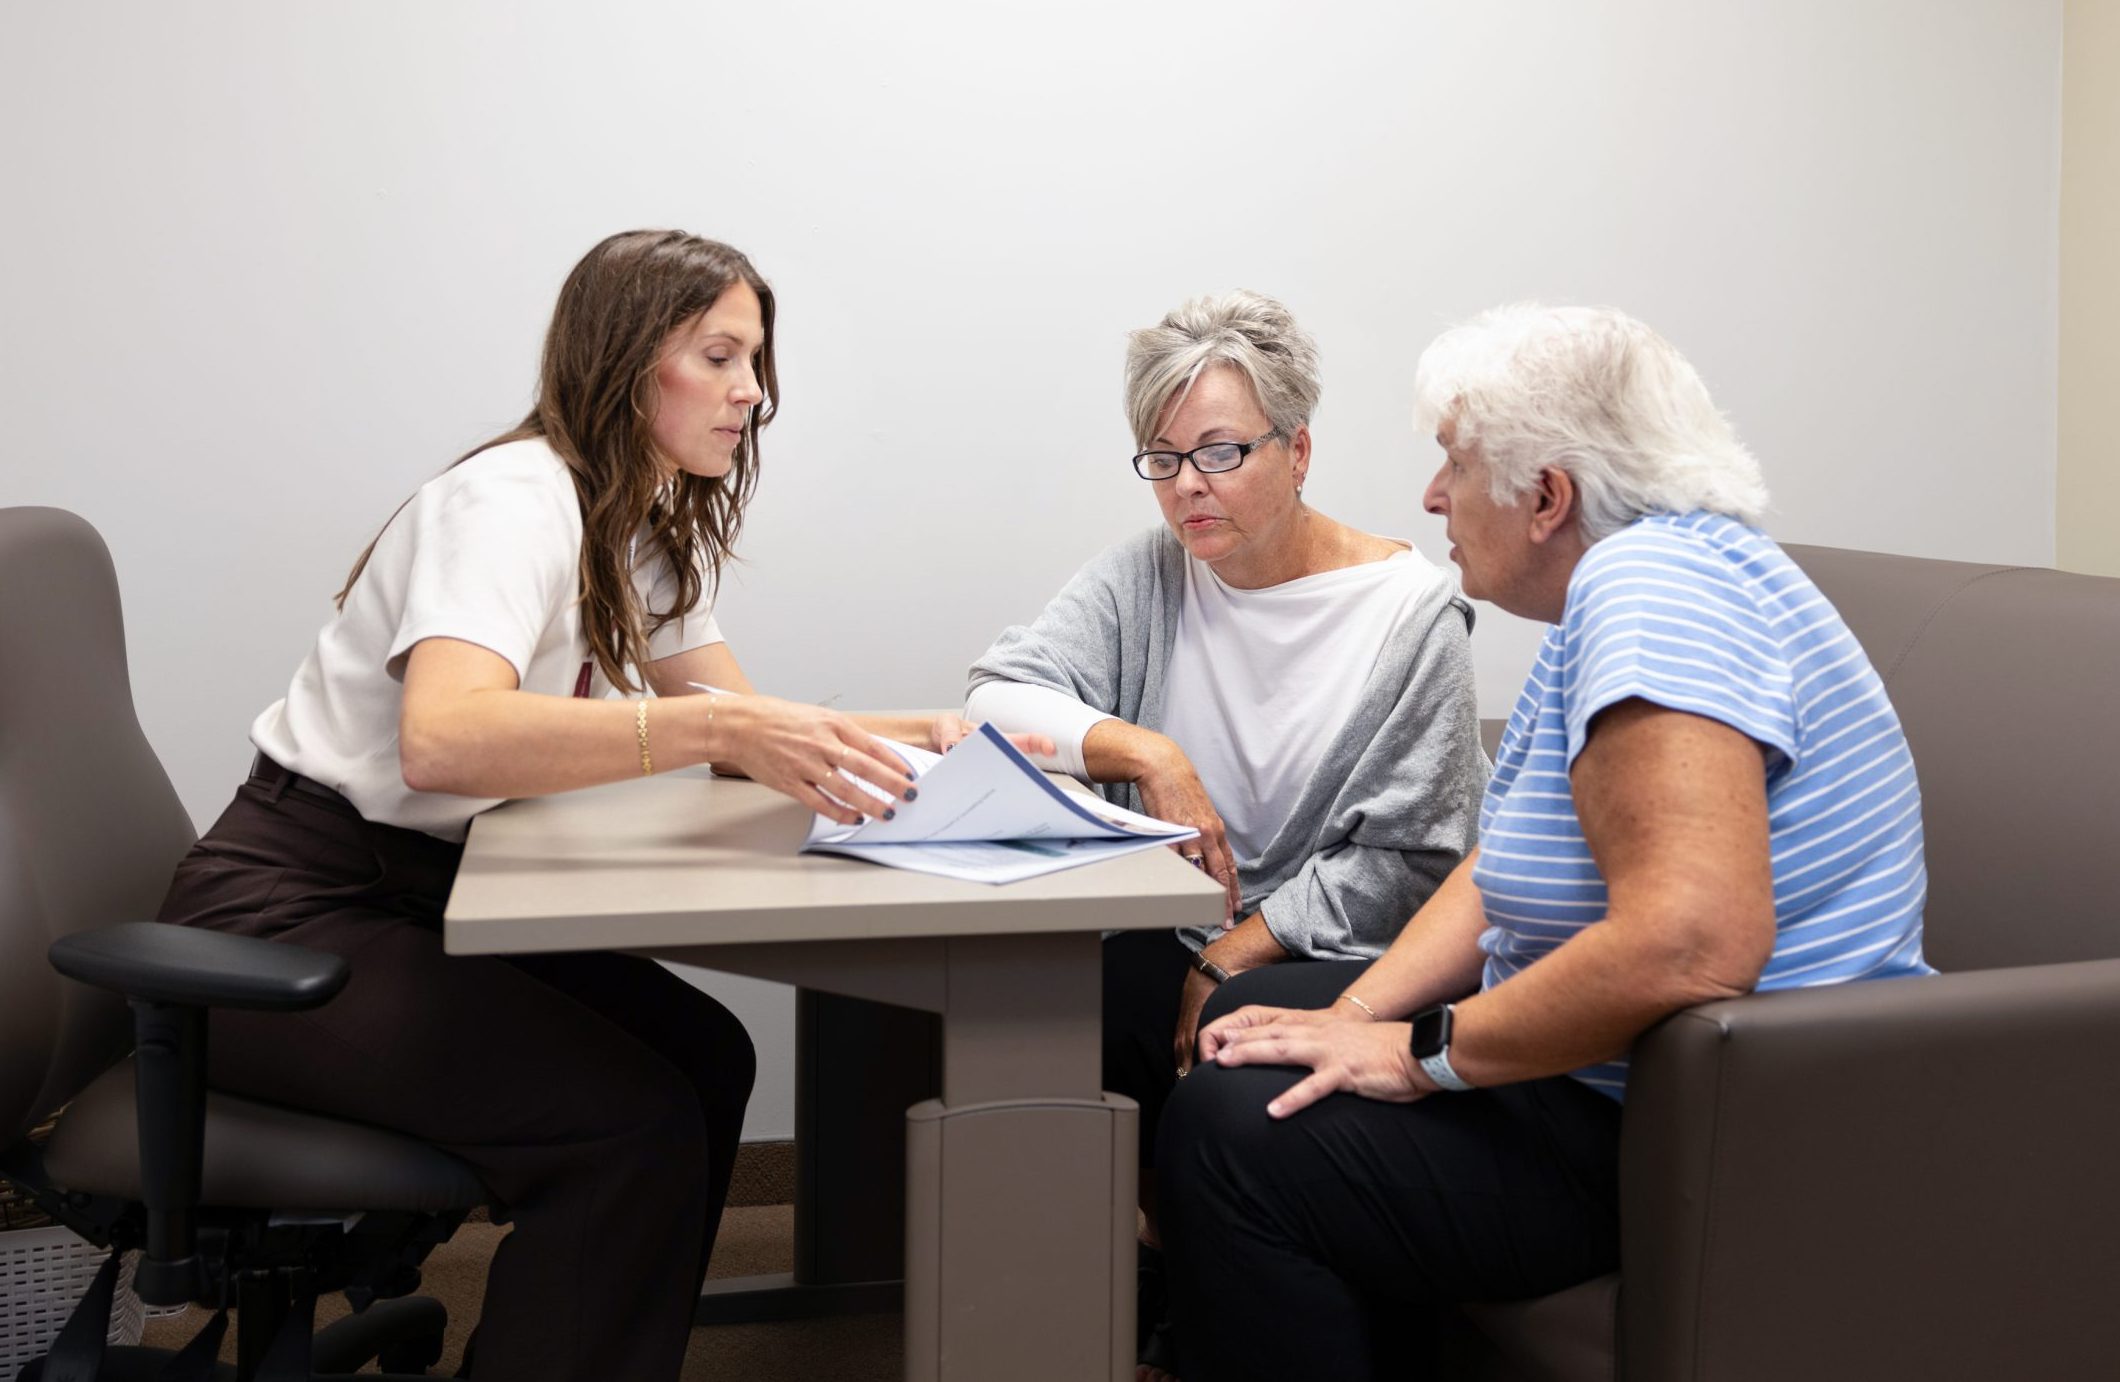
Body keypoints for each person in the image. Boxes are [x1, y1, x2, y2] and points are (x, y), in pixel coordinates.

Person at [154, 230, 1032, 1381]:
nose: (751, 393)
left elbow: (729, 723)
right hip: (282, 914)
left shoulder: (640, 522)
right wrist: (728, 730)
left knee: (706, 1056)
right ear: (628, 360)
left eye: (755, 362)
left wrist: (900, 734)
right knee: (628, 1127)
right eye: (719, 356)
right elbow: (445, 735)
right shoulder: (509, 501)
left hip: (415, 891)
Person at [1154, 303, 1936, 1381]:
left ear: (1546, 495)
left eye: (1451, 463)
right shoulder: (1639, 586)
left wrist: (1420, 1051)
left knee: (1230, 1131)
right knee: (1257, 1022)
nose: (1431, 496)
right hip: (1626, 1082)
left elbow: (1693, 942)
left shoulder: (1651, 588)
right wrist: (1348, 1016)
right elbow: (1497, 871)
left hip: (1706, 1130)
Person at [964, 290, 1488, 1373]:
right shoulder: (1148, 576)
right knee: (1067, 999)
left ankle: (1197, 1311)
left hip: (1335, 951)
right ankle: (1123, 1287)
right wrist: (1147, 752)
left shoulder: (1409, 615)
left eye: (1218, 451)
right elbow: (991, 700)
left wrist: (1233, 946)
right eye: (1160, 460)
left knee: (1228, 1020)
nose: (1186, 487)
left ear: (1298, 450)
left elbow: (1414, 858)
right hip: (1174, 931)